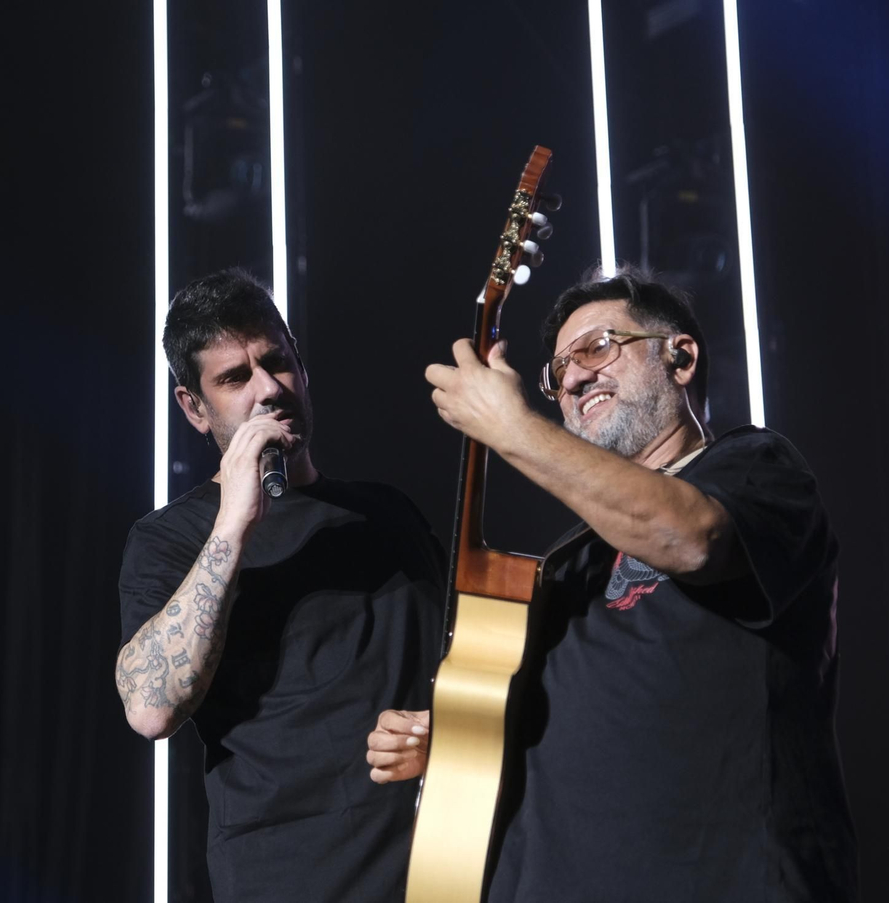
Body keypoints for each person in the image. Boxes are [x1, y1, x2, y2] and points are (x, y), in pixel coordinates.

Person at [367, 270, 858, 901]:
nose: (571, 379)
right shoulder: (567, 563)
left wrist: (511, 428)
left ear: (679, 358)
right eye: (559, 370)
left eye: (598, 347)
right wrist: (462, 735)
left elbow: (688, 536)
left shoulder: (757, 469)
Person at [116, 268, 446, 901]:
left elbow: (469, 665)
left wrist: (449, 733)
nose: (268, 388)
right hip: (288, 876)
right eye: (235, 379)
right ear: (193, 406)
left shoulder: (388, 513)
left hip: (440, 865)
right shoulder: (170, 539)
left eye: (277, 362)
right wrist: (233, 525)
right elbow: (151, 707)